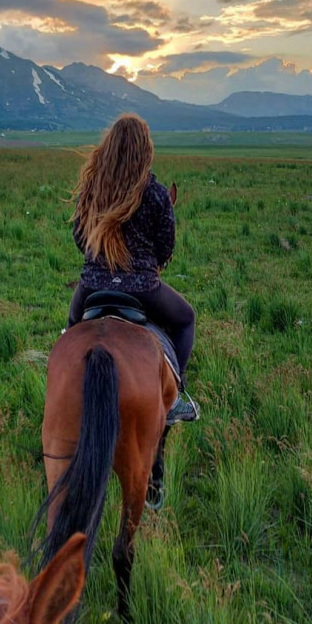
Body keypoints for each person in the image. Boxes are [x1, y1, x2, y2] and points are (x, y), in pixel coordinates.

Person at [66, 113, 199, 424]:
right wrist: (151, 263)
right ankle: (174, 399)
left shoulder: (93, 188)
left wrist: (98, 261)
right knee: (185, 320)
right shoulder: (154, 193)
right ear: (144, 150)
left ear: (109, 147)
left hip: (93, 286)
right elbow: (166, 244)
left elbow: (78, 236)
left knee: (72, 329)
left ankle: (69, 389)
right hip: (143, 287)